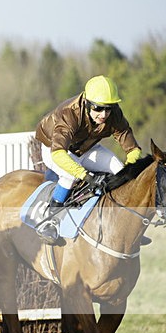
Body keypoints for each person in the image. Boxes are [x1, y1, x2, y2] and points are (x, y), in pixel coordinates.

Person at [35, 75, 141, 243]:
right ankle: (49, 222)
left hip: (85, 148)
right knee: (71, 175)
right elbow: (58, 154)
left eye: (109, 108)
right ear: (87, 103)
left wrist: (128, 171)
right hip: (53, 148)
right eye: (98, 108)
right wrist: (85, 175)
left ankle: (125, 225)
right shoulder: (69, 113)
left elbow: (133, 150)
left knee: (119, 169)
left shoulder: (114, 114)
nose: (104, 114)